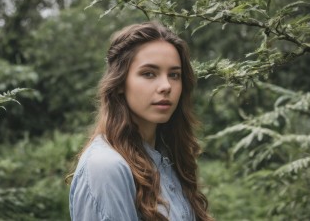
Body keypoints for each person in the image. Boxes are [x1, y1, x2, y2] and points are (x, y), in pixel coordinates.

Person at [67, 21, 213, 221]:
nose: (166, 86)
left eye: (174, 75)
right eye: (149, 74)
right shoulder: (106, 167)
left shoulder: (168, 155)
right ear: (119, 83)